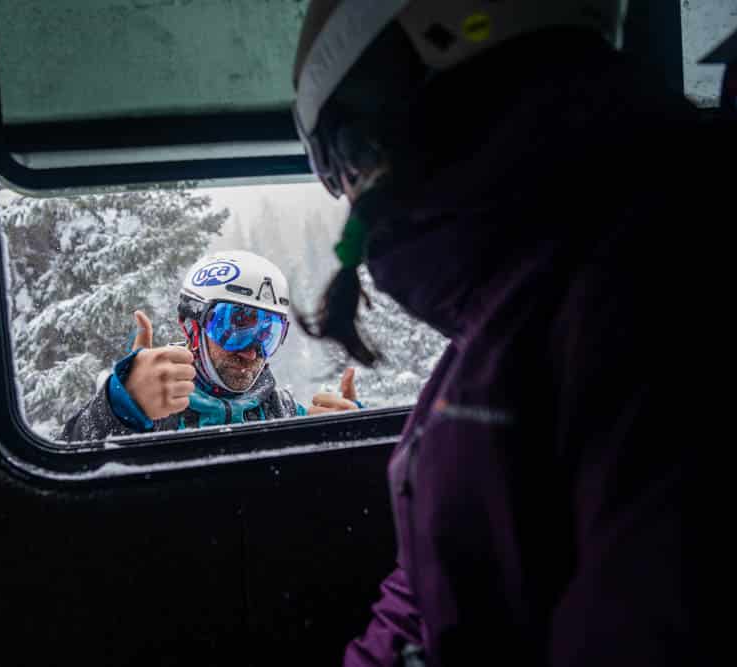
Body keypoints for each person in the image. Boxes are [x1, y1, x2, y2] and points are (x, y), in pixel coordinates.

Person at [291, 1, 717, 665]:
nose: (345, 195)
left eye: (337, 158)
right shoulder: (519, 303)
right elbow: (443, 578)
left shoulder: (656, 283)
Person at [62, 250, 361, 442]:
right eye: (234, 327)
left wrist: (349, 436)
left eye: (266, 334)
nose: (251, 352)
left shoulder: (282, 413)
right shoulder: (152, 407)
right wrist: (121, 408)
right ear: (191, 326)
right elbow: (68, 457)